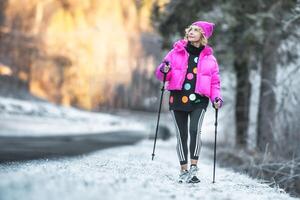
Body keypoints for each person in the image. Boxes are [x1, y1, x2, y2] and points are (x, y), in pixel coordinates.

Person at [154, 21, 223, 183]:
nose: (191, 32)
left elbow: (215, 83)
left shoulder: (210, 59)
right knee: (182, 135)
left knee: (194, 131)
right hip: (177, 98)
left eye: (196, 30)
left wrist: (217, 98)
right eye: (190, 30)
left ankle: (194, 168)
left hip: (199, 100)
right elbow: (162, 74)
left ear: (203, 35)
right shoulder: (175, 52)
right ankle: (183, 170)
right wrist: (164, 69)